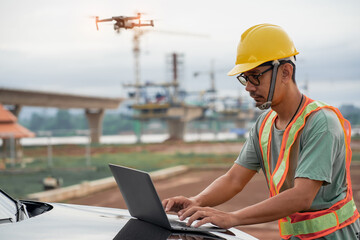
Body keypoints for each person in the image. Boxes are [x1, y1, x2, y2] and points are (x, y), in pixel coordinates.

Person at [162, 24, 360, 239]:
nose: (248, 87)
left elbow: (302, 196)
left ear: (285, 72)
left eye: (255, 76)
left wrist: (232, 217)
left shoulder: (321, 122)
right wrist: (197, 200)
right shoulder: (264, 124)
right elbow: (234, 179)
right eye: (246, 78)